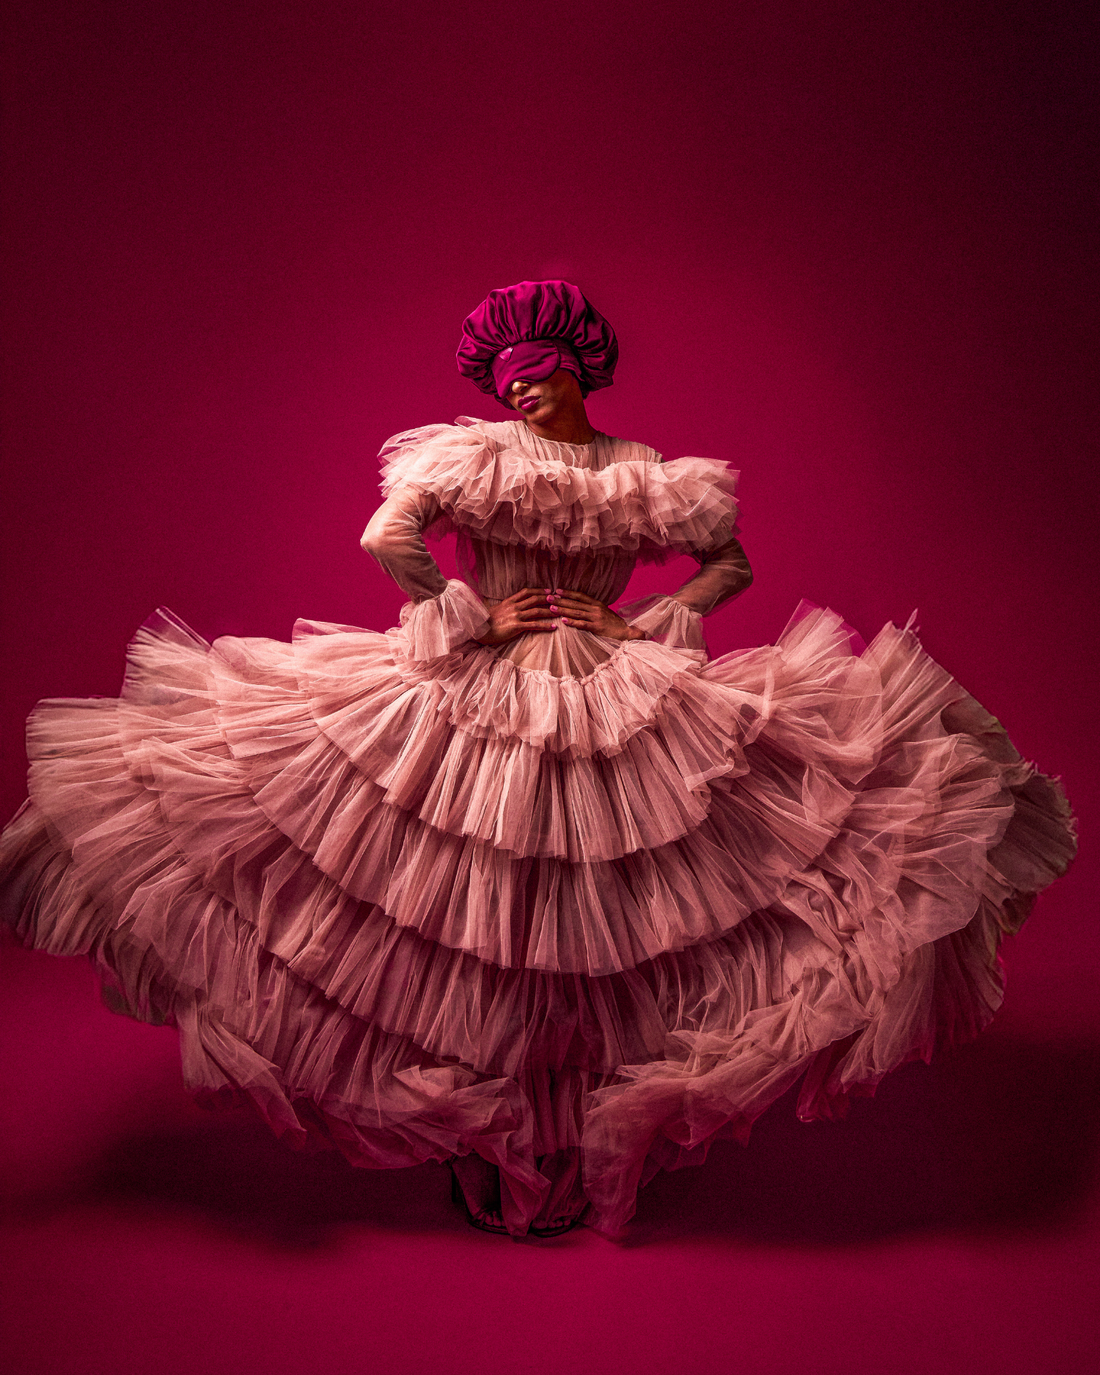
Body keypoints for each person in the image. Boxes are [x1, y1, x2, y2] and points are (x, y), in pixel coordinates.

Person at [0, 280, 1077, 1239]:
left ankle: (569, 1136)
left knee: (596, 921)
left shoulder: (640, 469)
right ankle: (496, 1136)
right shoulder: (476, 454)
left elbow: (729, 562)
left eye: (537, 370)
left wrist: (645, 618)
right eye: (505, 376)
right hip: (489, 682)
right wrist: (465, 610)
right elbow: (386, 536)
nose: (517, 388)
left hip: (613, 688)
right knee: (488, 918)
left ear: (577, 370)